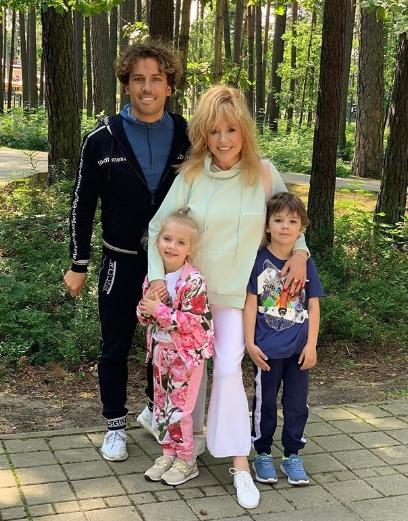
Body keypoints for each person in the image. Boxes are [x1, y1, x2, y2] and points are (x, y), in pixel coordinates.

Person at [147, 85, 309, 509]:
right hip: (193, 298)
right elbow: (157, 227)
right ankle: (187, 448)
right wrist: (158, 279)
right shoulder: (191, 176)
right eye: (214, 130)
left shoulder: (263, 173)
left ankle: (239, 464)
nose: (223, 140)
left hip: (240, 297)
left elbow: (288, 220)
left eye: (231, 129)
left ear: (244, 131)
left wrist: (301, 253)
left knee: (226, 372)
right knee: (188, 376)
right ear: (204, 133)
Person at [63, 41, 190, 462]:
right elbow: (81, 204)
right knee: (115, 346)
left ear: (169, 86)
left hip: (171, 268)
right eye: (138, 80)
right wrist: (78, 263)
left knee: (166, 345)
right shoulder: (101, 140)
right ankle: (115, 426)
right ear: (126, 85)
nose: (147, 88)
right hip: (121, 262)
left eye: (156, 79)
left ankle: (155, 412)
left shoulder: (189, 136)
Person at [244, 192, 324, 486]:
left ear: (301, 227)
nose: (285, 226)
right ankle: (263, 453)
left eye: (292, 221)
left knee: (296, 405)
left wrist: (312, 345)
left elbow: (313, 306)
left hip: (299, 351)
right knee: (265, 404)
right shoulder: (257, 261)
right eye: (278, 220)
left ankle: (292, 455)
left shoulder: (306, 265)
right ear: (267, 225)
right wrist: (250, 343)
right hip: (266, 351)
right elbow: (250, 304)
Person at [137, 209, 214, 485]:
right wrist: (147, 308)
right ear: (157, 241)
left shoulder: (194, 281)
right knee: (161, 406)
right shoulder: (153, 278)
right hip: (160, 352)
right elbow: (143, 315)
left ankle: (187, 459)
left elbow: (192, 322)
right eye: (167, 239)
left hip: (186, 356)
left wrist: (158, 310)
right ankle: (168, 454)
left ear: (190, 249)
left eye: (180, 242)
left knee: (180, 409)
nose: (172, 246)